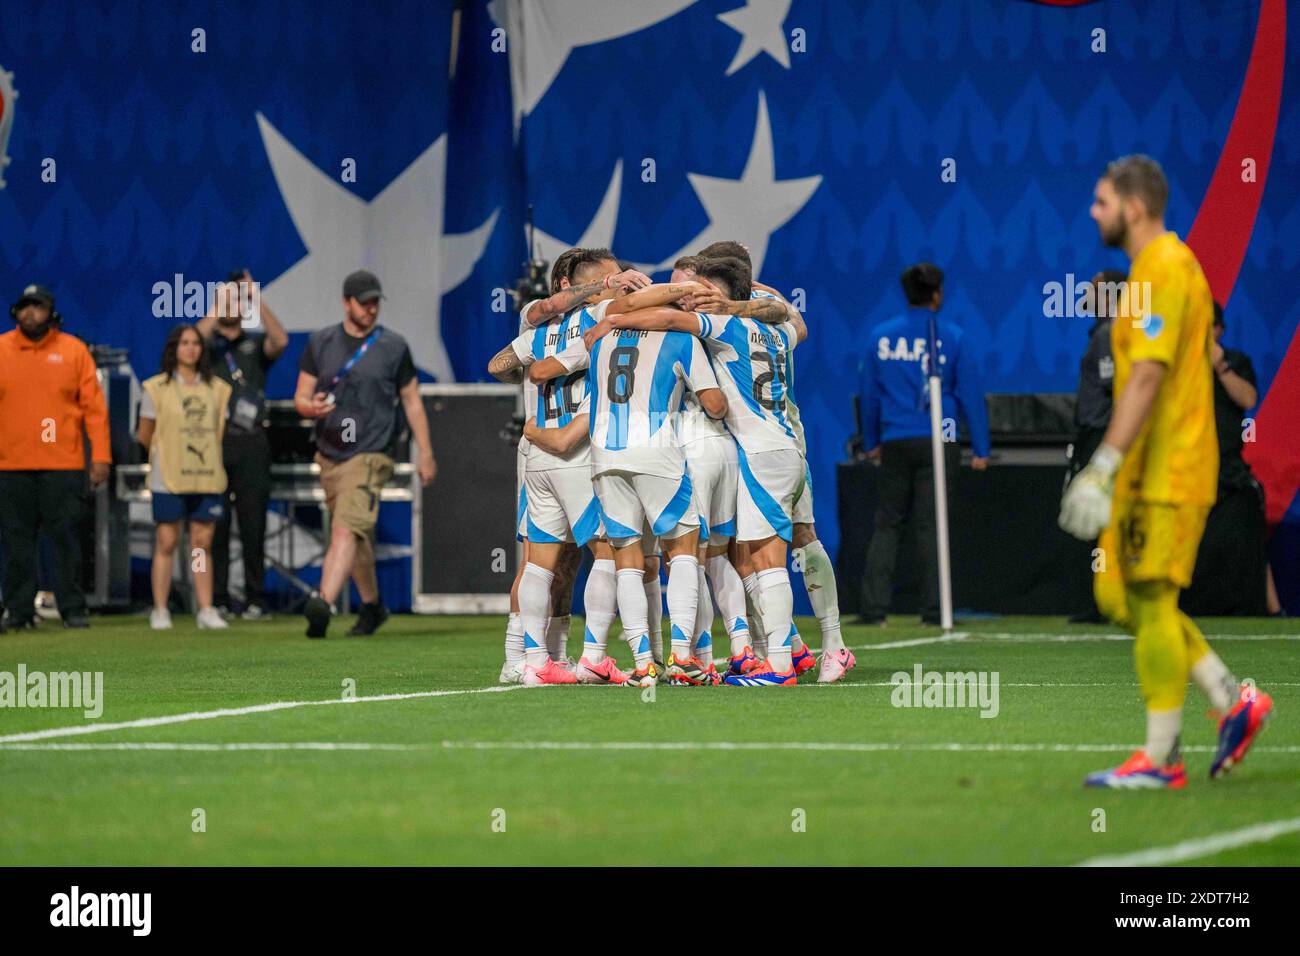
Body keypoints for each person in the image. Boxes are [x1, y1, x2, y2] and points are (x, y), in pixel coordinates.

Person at [1059, 154, 1273, 788]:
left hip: (1169, 469)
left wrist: (1103, 463)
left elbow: (1148, 378)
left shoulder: (1166, 268)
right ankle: (1232, 697)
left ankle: (1161, 757)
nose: (1093, 212)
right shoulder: (1144, 274)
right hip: (1142, 472)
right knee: (1115, 595)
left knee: (1151, 597)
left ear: (1133, 206)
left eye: (1100, 201)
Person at [584, 255, 809, 687]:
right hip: (750, 446)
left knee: (642, 558)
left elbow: (542, 367)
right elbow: (790, 317)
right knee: (726, 554)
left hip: (636, 450)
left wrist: (614, 319)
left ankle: (658, 660)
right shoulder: (777, 330)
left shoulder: (697, 327)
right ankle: (747, 650)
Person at [533, 280, 729, 688]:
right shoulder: (681, 341)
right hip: (656, 451)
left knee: (626, 559)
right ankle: (680, 656)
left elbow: (546, 368)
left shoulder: (601, 339)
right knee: (684, 551)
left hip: (604, 455)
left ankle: (642, 664)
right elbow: (714, 404)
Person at [691, 241, 855, 683]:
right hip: (778, 444)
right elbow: (795, 320)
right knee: (765, 545)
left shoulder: (730, 322)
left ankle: (806, 650)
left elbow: (790, 317)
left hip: (765, 445)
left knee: (776, 546)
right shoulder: (770, 316)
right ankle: (803, 647)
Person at [294, 270, 437, 638]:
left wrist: (426, 452)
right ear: (347, 303)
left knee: (344, 528)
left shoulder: (394, 346)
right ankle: (373, 607)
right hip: (329, 454)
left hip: (372, 453)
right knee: (355, 533)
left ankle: (322, 603)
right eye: (364, 302)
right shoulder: (320, 342)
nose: (371, 309)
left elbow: (412, 400)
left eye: (376, 302)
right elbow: (301, 396)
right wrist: (310, 409)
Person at [857, 263, 990, 627]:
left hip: (896, 440)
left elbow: (868, 396)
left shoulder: (881, 338)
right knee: (933, 526)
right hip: (939, 439)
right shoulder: (954, 336)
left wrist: (871, 443)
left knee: (887, 525)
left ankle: (873, 611)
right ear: (937, 294)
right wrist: (980, 448)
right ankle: (936, 611)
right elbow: (970, 396)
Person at [0, 284, 110, 631]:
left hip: (62, 465)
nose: (30, 313)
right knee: (16, 544)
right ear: (16, 312)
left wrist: (101, 457)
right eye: (24, 306)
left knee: (65, 541)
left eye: (38, 306)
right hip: (10, 465)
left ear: (51, 312)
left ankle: (73, 608)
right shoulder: (1, 349)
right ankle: (18, 612)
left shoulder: (73, 351)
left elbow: (95, 410)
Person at [198, 270, 288, 620]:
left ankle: (255, 599)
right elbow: (188, 340)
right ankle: (218, 598)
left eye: (237, 303)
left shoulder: (254, 344)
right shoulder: (207, 347)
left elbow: (279, 340)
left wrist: (255, 297)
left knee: (253, 526)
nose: (232, 307)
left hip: (252, 444)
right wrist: (218, 304)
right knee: (215, 525)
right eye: (227, 302)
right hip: (214, 444)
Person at [137, 324, 232, 630]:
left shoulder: (217, 389)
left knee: (202, 542)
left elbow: (219, 432)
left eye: (196, 343)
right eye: (184, 343)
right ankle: (161, 609)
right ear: (173, 348)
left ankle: (205, 609)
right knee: (167, 540)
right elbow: (145, 435)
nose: (191, 348)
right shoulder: (156, 388)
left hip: (205, 476)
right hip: (169, 476)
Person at [1181, 302, 1270, 616]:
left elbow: (1248, 399)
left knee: (1238, 540)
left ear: (1219, 329)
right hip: (1188, 468)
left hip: (1228, 469)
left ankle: (1260, 607)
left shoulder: (1235, 361)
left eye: (1209, 325)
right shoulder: (1181, 362)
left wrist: (1220, 367)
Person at [1067, 269, 1126, 624]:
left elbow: (1116, 387)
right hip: (1099, 432)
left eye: (1094, 288)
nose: (1086, 293)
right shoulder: (1106, 331)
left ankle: (1105, 602)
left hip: (1102, 433)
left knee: (1102, 518)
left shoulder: (1109, 333)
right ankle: (1106, 599)